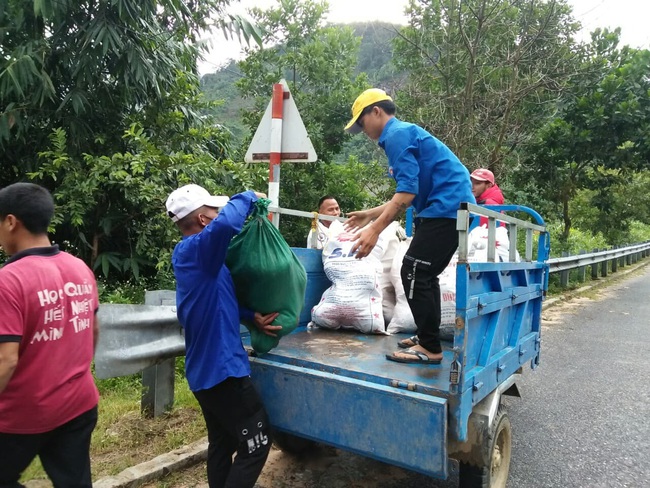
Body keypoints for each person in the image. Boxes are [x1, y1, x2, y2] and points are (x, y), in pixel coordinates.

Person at [343, 88, 475, 365]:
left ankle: (430, 348)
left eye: (361, 122)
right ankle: (428, 337)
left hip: (446, 209)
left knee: (414, 271)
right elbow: (408, 192)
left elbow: (406, 194)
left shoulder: (396, 135)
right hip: (447, 208)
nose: (362, 130)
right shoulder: (401, 133)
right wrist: (370, 214)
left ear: (376, 111)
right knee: (424, 274)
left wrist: (375, 230)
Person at [166, 184, 281, 488]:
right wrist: (247, 195)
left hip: (205, 373)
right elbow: (229, 223)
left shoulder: (194, 257)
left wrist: (248, 315)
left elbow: (214, 297)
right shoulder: (198, 249)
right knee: (257, 444)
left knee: (223, 443)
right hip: (223, 372)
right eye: (213, 210)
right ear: (204, 220)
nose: (218, 214)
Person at [0, 183, 100, 487]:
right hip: (79, 404)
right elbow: (93, 332)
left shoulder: (9, 280)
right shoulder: (79, 267)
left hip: (23, 416)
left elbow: (6, 361)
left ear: (11, 221)